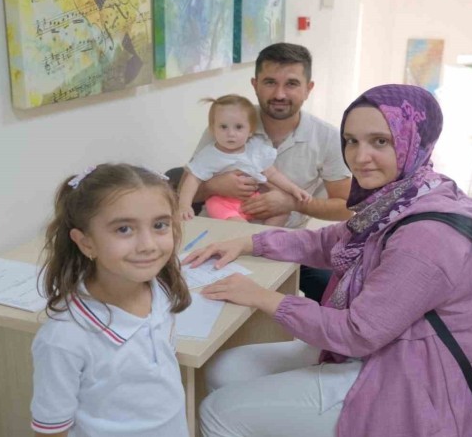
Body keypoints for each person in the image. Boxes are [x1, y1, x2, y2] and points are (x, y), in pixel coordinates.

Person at [184, 85, 472, 437]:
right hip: (388, 346)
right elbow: (330, 240)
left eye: (380, 141)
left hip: (414, 378)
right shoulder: (404, 196)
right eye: (351, 141)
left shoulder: (426, 238)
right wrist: (249, 241)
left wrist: (262, 297)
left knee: (216, 413)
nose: (360, 157)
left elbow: (356, 333)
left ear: (414, 141)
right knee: (224, 369)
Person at [31, 164, 191, 437]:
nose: (148, 245)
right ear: (86, 243)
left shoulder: (160, 289)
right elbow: (51, 429)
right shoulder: (64, 338)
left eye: (160, 225)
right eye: (124, 229)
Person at [189, 42, 353, 302]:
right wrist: (213, 187)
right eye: (269, 82)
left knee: (341, 294)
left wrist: (292, 204)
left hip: (287, 242)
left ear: (308, 89)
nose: (279, 94)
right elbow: (186, 188)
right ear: (255, 85)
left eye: (291, 84)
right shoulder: (227, 124)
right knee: (198, 298)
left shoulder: (328, 138)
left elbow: (346, 208)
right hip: (218, 232)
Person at [179, 94, 311, 225]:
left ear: (250, 131)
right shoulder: (209, 155)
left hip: (252, 200)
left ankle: (267, 234)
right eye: (223, 127)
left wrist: (294, 189)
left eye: (238, 127)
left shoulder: (255, 150)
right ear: (213, 129)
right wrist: (184, 205)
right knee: (234, 222)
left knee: (283, 213)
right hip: (223, 203)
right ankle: (247, 231)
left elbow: (272, 174)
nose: (231, 134)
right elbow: (192, 179)